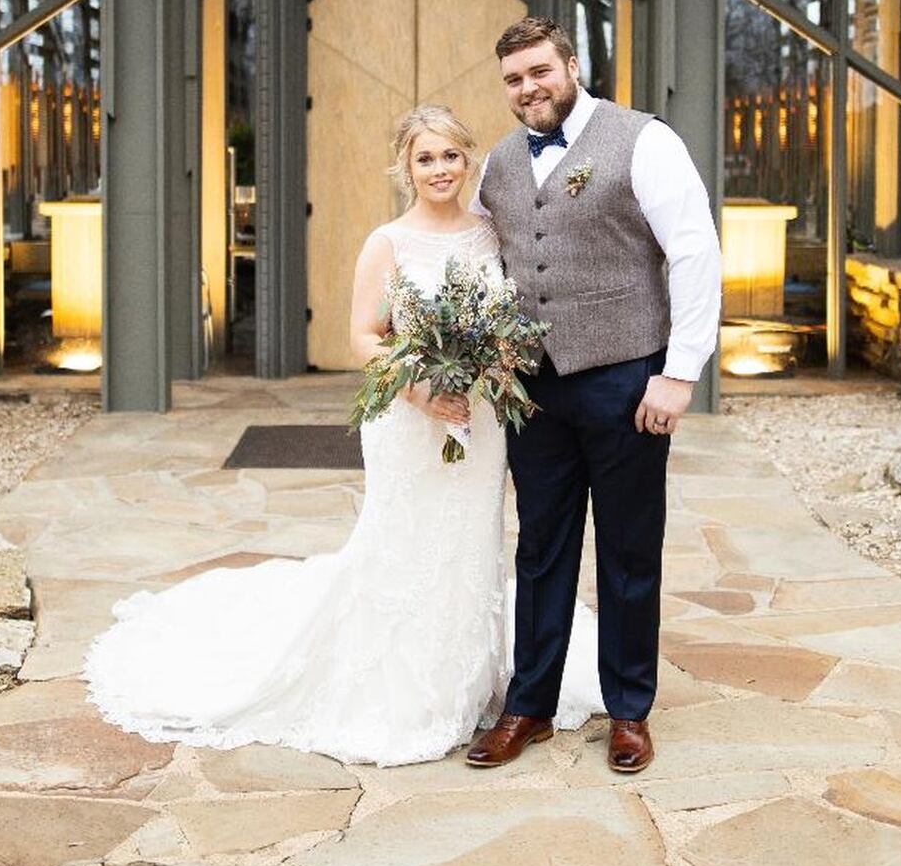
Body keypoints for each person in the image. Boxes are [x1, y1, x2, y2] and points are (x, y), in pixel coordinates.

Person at [83, 104, 600, 765]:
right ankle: (404, 691)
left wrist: (485, 373)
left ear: (468, 159)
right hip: (410, 421)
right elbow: (362, 336)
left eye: (449, 155)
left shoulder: (490, 234)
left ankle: (467, 681)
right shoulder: (388, 242)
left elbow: (506, 320)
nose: (439, 169)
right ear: (405, 168)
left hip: (477, 418)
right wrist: (420, 387)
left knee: (471, 543)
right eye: (425, 158)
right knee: (404, 542)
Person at [466, 16, 721, 775]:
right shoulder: (500, 164)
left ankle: (631, 710)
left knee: (629, 546)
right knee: (542, 547)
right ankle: (530, 705)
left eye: (540, 71)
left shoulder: (644, 139)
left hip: (626, 375)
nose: (528, 88)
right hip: (532, 387)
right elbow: (478, 256)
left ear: (571, 64)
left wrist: (679, 373)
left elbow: (693, 251)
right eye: (513, 78)